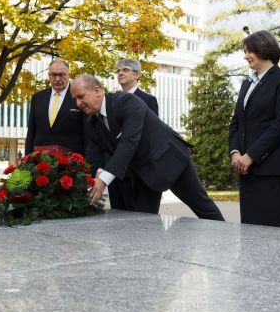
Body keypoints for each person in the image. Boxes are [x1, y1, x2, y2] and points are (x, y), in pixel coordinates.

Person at [71, 75, 224, 220]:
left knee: (203, 207)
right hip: (145, 173)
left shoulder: (127, 101)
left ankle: (232, 244)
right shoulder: (92, 122)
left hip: (170, 160)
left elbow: (129, 142)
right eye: (75, 99)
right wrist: (81, 185)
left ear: (97, 91)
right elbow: (92, 158)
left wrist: (102, 180)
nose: (78, 104)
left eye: (81, 97)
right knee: (142, 220)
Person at [229, 30, 280, 227]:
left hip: (272, 171)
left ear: (263, 49)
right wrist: (235, 153)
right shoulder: (246, 84)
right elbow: (236, 122)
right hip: (246, 171)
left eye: (248, 51)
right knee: (251, 234)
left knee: (275, 235)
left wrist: (251, 155)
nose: (245, 56)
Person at [109, 58, 159, 211]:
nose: (120, 73)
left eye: (125, 70)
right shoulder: (112, 101)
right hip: (116, 170)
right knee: (117, 217)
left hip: (138, 172)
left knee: (140, 220)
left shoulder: (148, 100)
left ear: (137, 75)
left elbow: (149, 134)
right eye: (118, 71)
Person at [25, 58, 86, 156]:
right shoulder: (37, 98)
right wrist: (27, 160)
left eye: (61, 75)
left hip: (71, 162)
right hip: (40, 161)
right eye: (53, 75)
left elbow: (87, 133)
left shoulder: (79, 97)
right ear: (49, 75)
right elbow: (31, 132)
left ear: (68, 75)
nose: (57, 79)